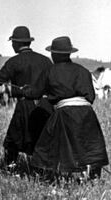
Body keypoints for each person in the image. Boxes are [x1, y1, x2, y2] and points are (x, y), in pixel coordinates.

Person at [20, 36, 109, 180]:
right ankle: (93, 177)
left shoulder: (50, 71)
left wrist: (25, 91)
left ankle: (51, 177)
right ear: (68, 53)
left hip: (65, 113)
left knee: (48, 145)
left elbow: (35, 92)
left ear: (54, 54)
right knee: (89, 145)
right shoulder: (83, 71)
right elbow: (91, 97)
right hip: (87, 113)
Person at [0, 26, 53, 170]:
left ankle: (10, 169)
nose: (12, 45)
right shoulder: (46, 61)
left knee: (13, 140)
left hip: (25, 105)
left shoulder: (14, 62)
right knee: (41, 138)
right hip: (45, 106)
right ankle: (44, 170)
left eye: (13, 42)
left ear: (17, 43)